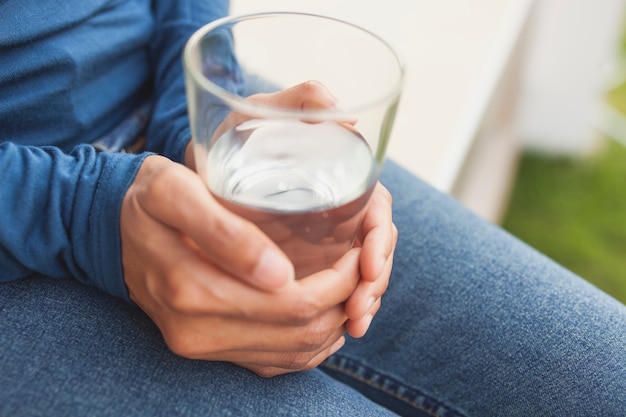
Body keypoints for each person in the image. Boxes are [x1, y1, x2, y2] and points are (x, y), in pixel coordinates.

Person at [0, 1, 624, 416]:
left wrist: (203, 113)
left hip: (166, 111)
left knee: (606, 381)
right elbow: (76, 207)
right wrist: (81, 212)